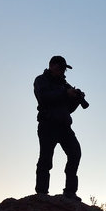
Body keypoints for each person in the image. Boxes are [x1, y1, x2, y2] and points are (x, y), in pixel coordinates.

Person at [33, 54, 88, 199]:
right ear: (51, 66)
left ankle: (70, 192)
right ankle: (41, 193)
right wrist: (65, 93)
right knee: (46, 159)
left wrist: (76, 99)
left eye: (64, 69)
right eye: (60, 68)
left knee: (75, 153)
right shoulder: (41, 80)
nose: (63, 71)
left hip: (64, 127)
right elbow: (44, 98)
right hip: (47, 125)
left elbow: (68, 109)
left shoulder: (64, 85)